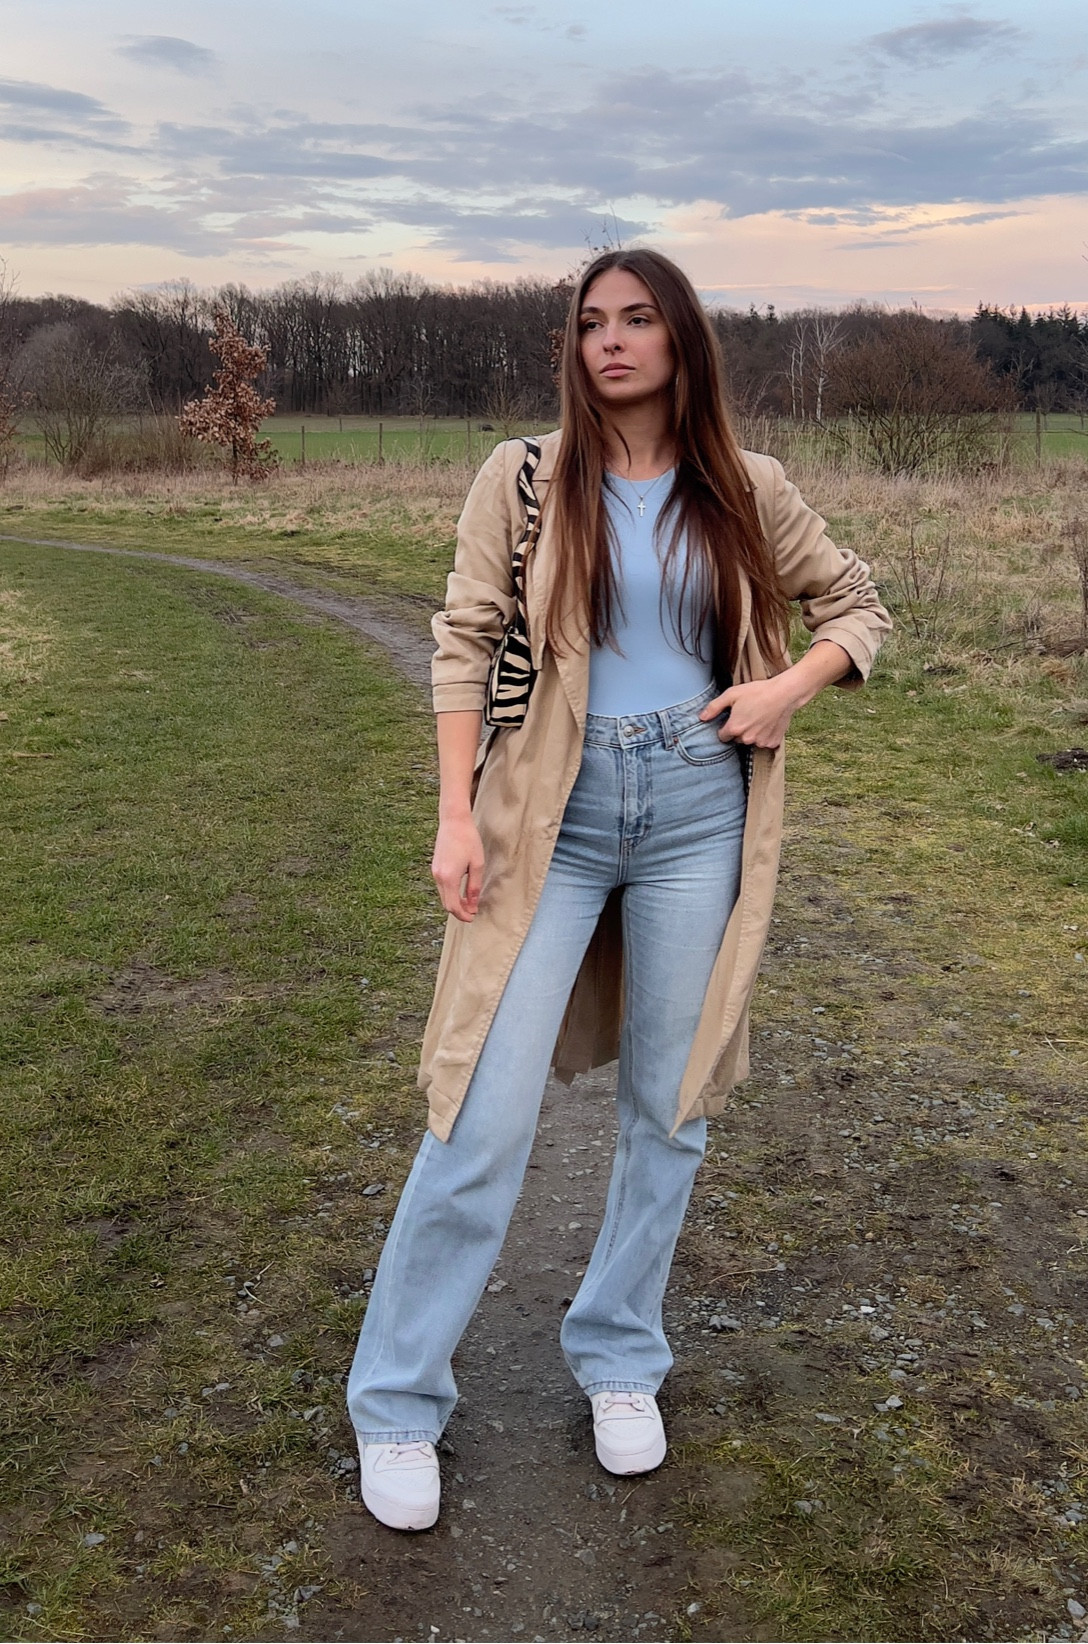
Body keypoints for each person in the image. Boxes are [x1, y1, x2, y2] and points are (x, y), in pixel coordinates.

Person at [346, 248, 891, 1531]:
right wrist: (454, 816)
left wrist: (788, 687)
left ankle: (620, 1354)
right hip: (552, 814)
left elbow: (856, 606)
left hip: (699, 810)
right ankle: (398, 1399)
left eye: (639, 319)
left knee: (671, 1104)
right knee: (479, 1111)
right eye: (592, 322)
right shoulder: (525, 478)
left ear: (681, 338)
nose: (611, 341)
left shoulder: (746, 486)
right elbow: (464, 640)